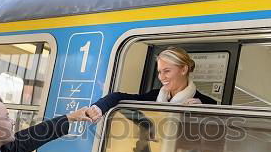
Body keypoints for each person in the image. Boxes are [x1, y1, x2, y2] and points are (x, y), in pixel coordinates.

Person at [86, 46, 217, 122]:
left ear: (184, 69)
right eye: (159, 72)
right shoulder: (154, 96)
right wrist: (98, 108)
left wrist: (202, 113)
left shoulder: (208, 103)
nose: (161, 77)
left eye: (167, 71)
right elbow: (119, 97)